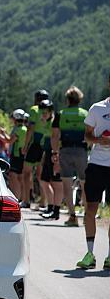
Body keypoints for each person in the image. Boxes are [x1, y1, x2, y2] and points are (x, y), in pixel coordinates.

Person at [76, 73, 110, 270]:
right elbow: (87, 136)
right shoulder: (97, 109)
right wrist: (101, 141)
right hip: (96, 165)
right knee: (90, 210)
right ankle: (90, 254)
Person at [50, 86, 88, 226]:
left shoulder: (61, 114)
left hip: (65, 150)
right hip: (82, 151)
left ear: (67, 99)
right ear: (79, 99)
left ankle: (72, 216)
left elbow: (54, 135)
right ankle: (86, 214)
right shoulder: (85, 113)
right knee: (85, 184)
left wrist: (54, 152)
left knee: (67, 184)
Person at [21, 89, 49, 209]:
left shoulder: (34, 109)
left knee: (26, 173)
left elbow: (30, 129)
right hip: (45, 144)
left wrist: (25, 146)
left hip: (35, 144)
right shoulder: (50, 111)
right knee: (40, 175)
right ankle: (43, 201)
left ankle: (26, 200)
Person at [38, 99, 63, 220]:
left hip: (52, 153)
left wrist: (55, 154)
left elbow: (54, 137)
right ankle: (51, 207)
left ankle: (53, 208)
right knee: (44, 181)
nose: (43, 114)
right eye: (42, 112)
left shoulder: (53, 121)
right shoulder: (47, 121)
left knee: (53, 182)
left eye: (46, 111)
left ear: (51, 111)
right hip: (47, 152)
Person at [8, 109, 27, 201]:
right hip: (20, 155)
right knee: (20, 177)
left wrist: (0, 134)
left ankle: (16, 198)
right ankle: (21, 198)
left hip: (17, 155)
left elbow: (10, 141)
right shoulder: (24, 128)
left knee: (14, 176)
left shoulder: (19, 129)